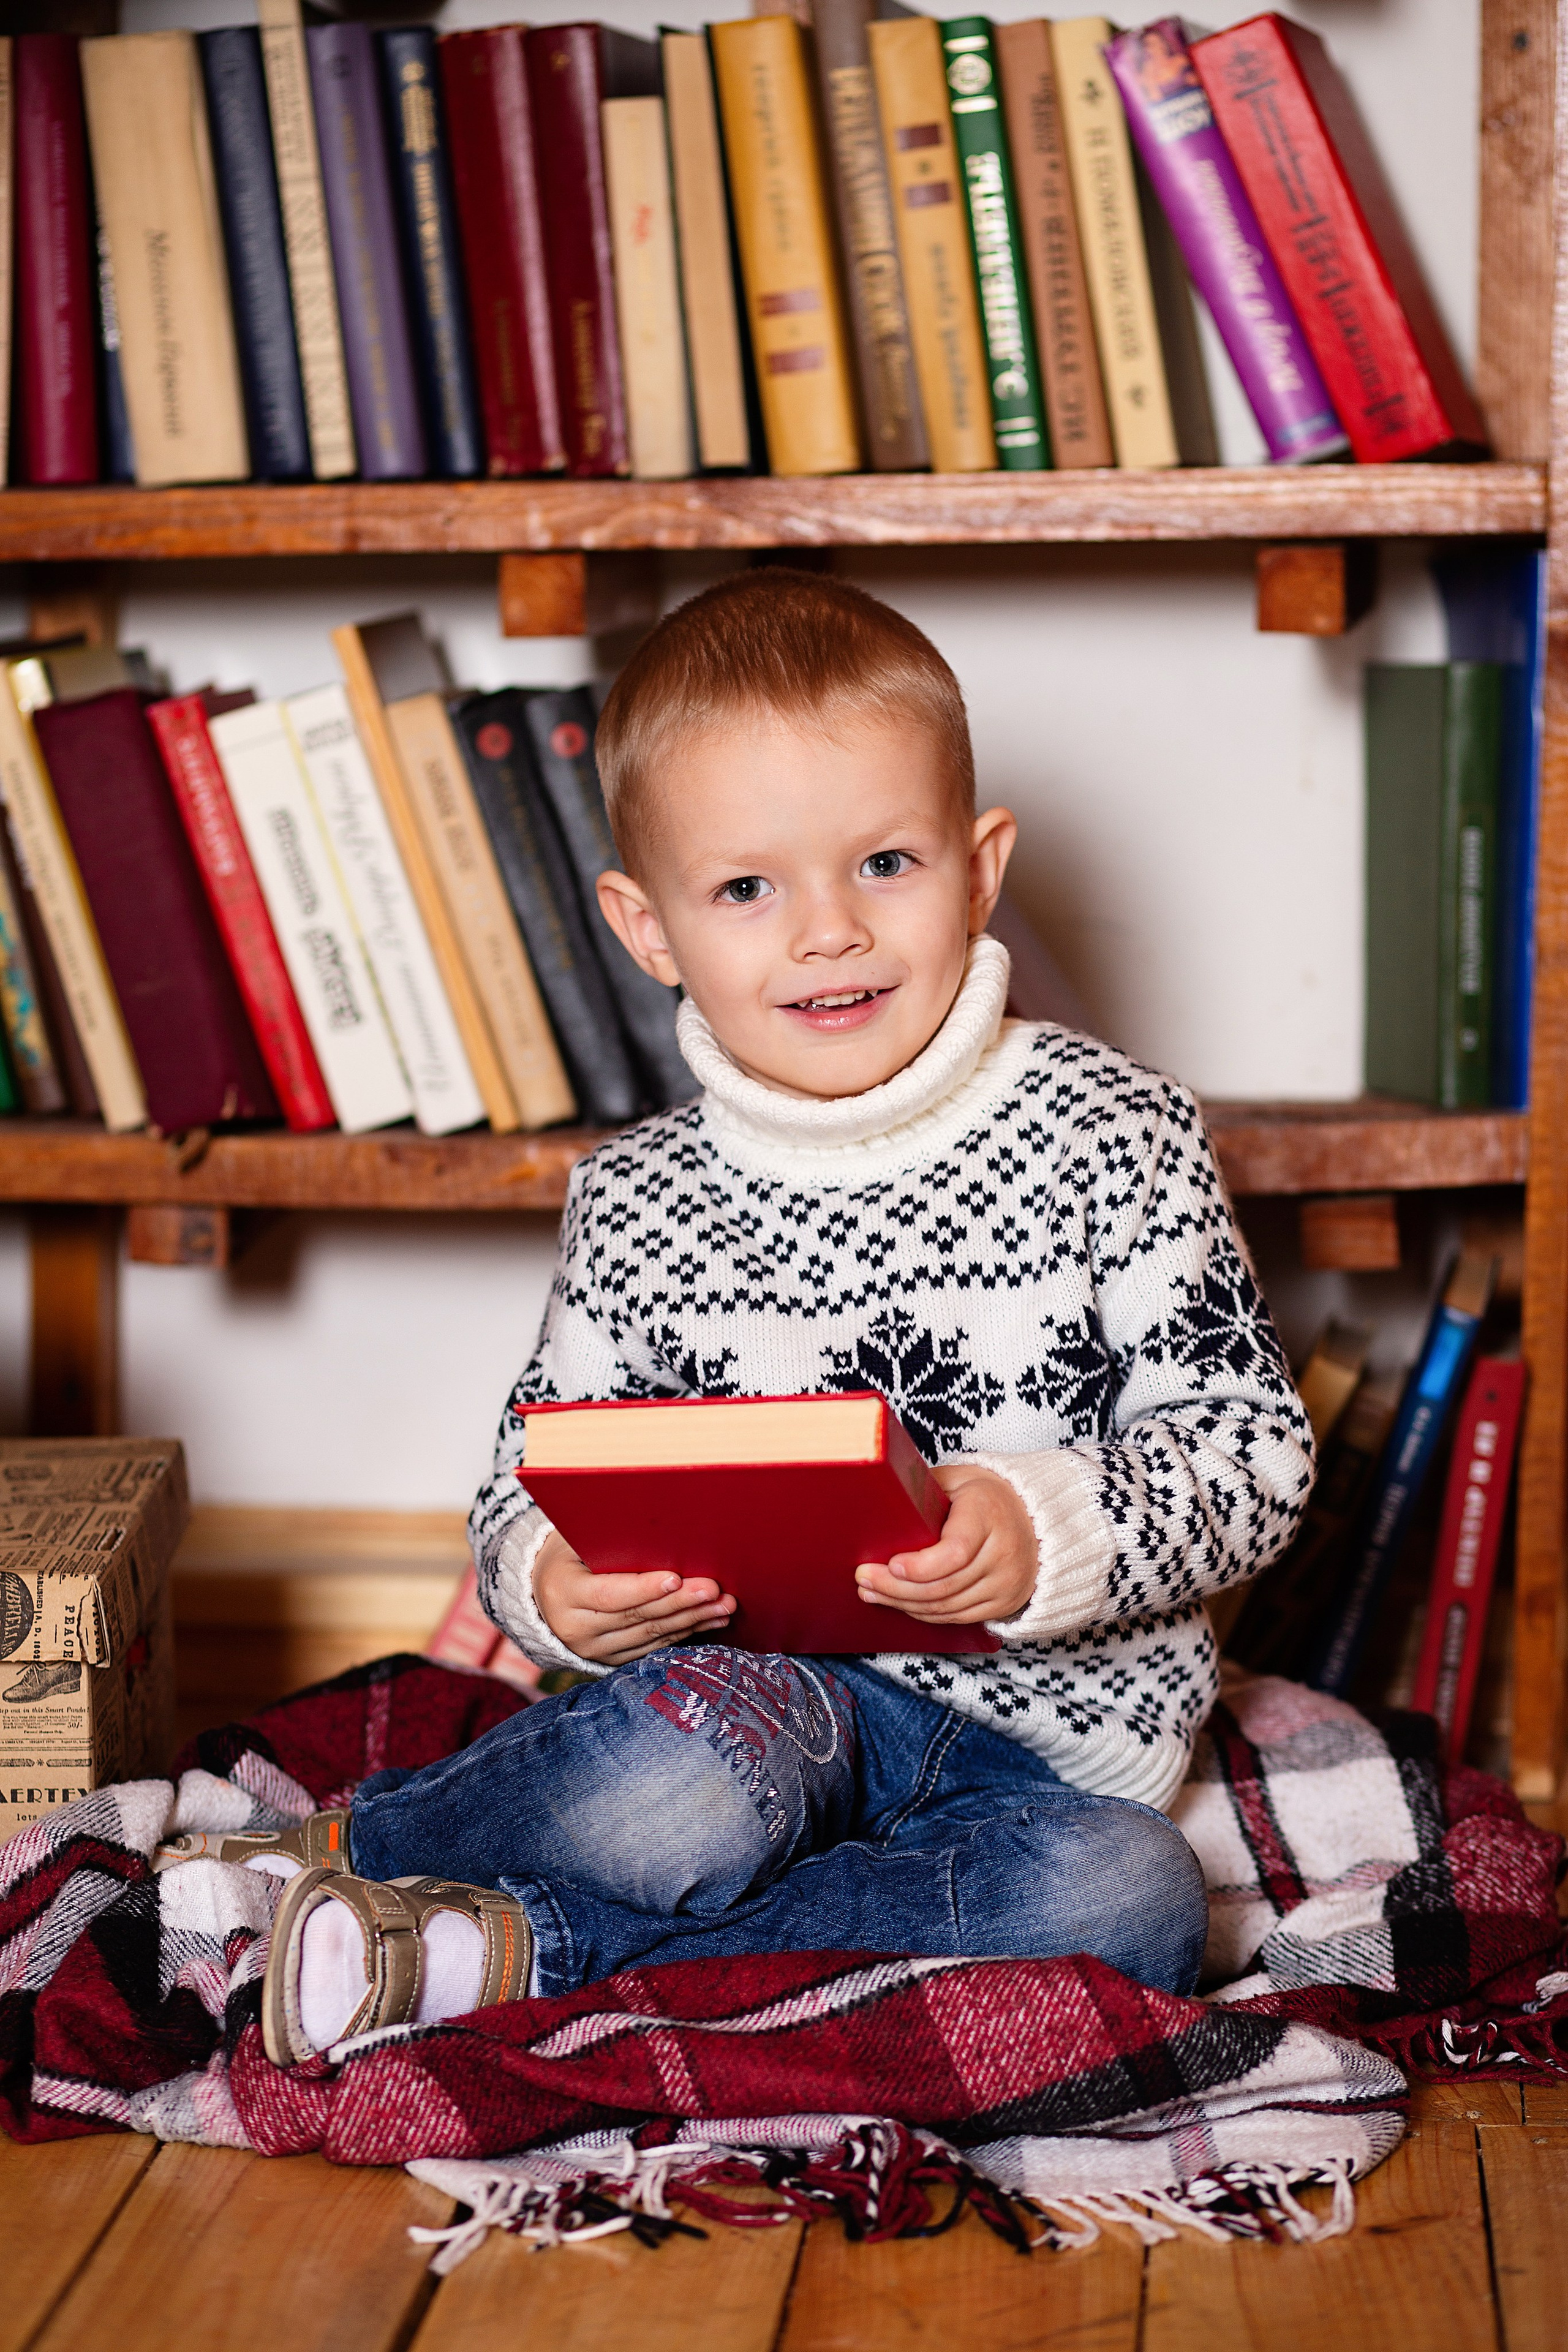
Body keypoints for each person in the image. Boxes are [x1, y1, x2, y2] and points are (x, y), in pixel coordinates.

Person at [183, 573, 1315, 2061]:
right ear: (647, 929)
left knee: (1133, 1907)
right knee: (677, 1784)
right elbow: (532, 1481)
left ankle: (507, 1954)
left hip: (1044, 1766)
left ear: (979, 869)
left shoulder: (1115, 1133)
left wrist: (1042, 1528)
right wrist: (553, 1582)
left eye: (884, 863)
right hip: (749, 1707)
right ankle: (335, 1865)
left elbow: (1253, 1452)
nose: (826, 933)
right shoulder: (639, 1199)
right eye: (746, 890)